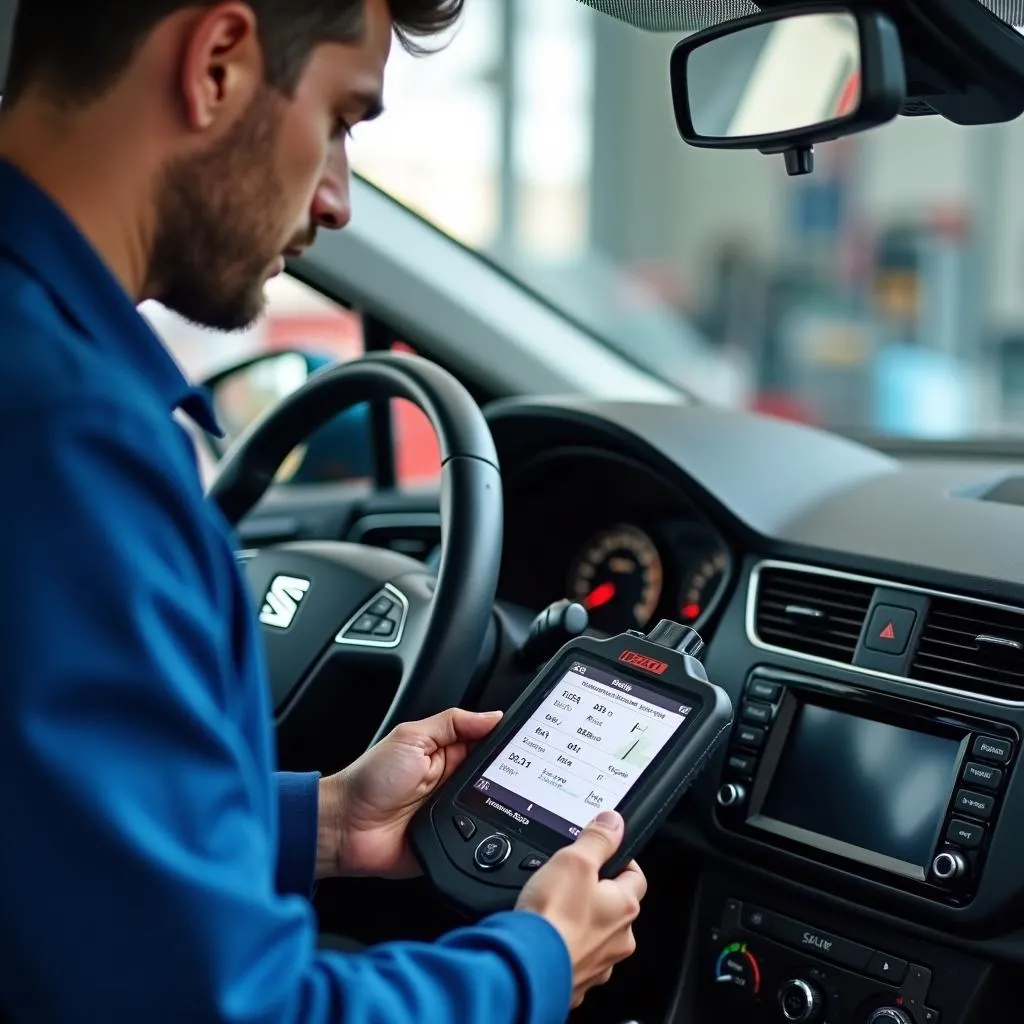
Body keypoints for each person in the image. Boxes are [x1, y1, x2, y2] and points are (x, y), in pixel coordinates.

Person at [0, 0, 646, 1021]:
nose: (340, 198)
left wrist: (329, 820)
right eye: (343, 118)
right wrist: (529, 968)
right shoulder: (71, 438)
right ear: (217, 63)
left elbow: (42, 831)